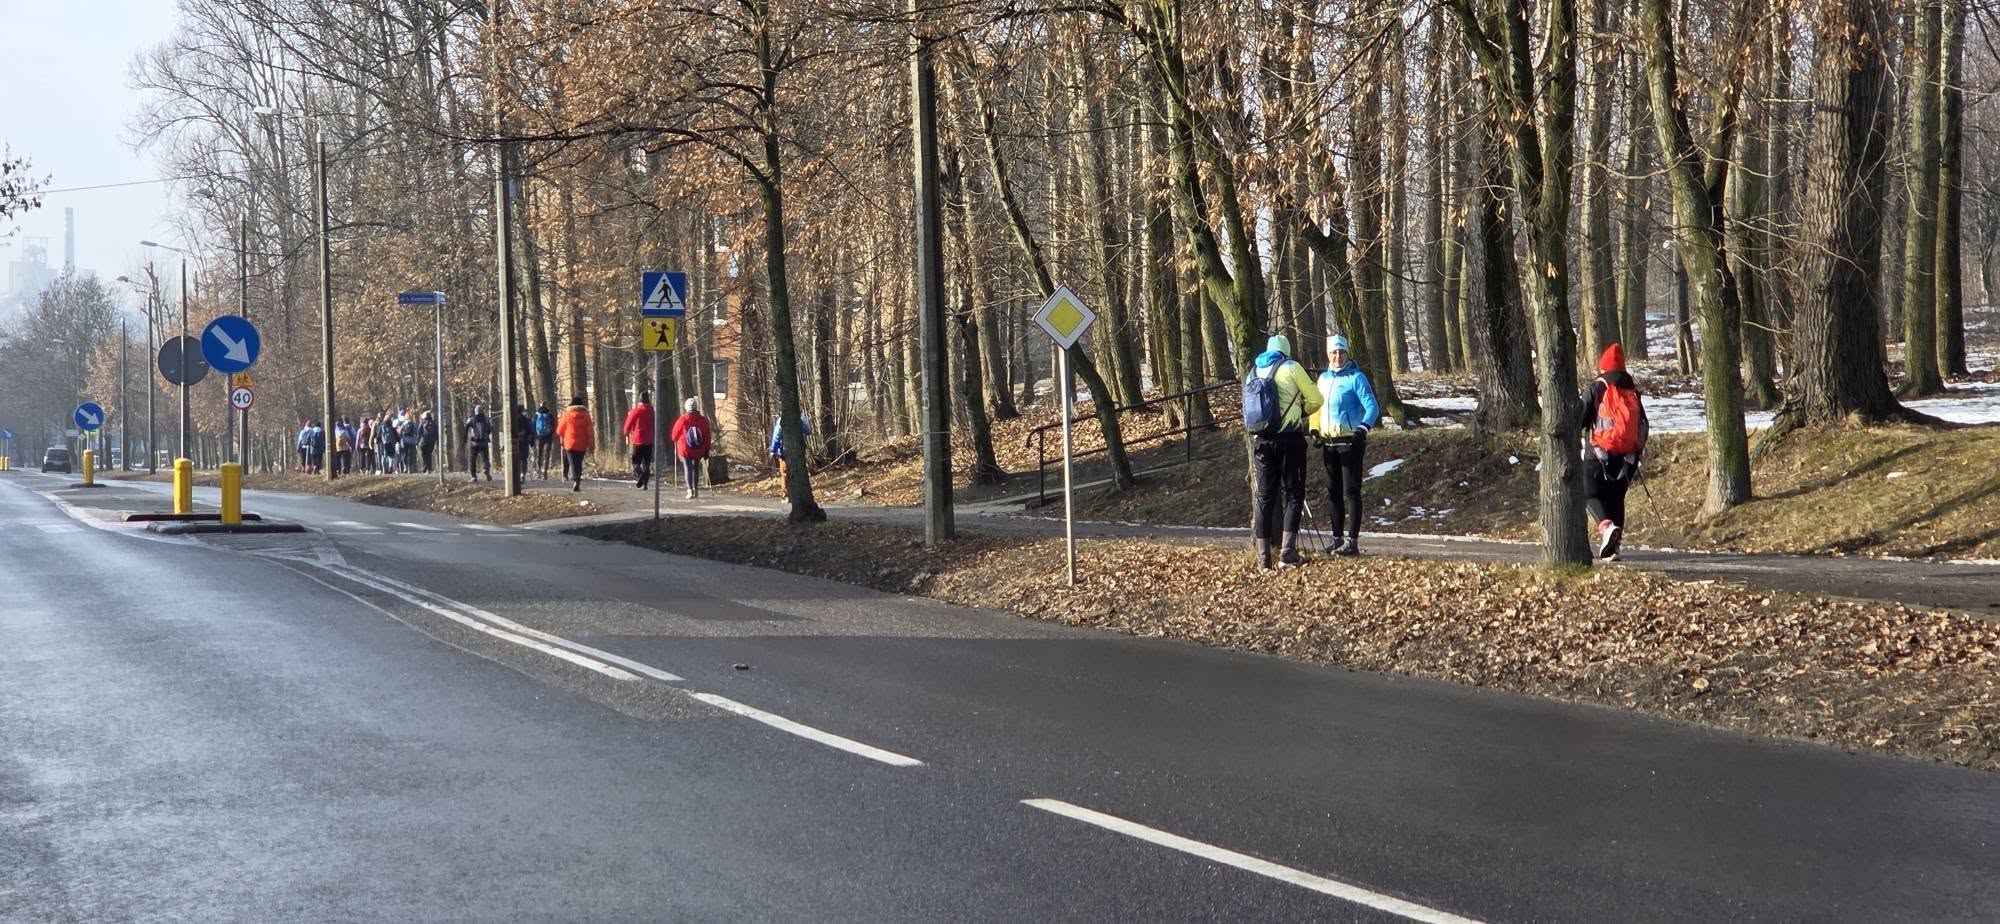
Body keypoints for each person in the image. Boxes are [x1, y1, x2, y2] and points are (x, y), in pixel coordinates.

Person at [1244, 333, 1322, 570]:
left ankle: (1263, 558)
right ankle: (1287, 554)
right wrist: (1301, 410)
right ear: (1286, 351)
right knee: (1294, 494)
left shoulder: (1253, 371)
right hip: (1290, 439)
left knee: (1265, 499)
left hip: (1262, 441)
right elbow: (1316, 399)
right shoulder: (1291, 367)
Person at [1578, 343, 1650, 561]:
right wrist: (1635, 453)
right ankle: (1613, 548)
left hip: (1597, 454)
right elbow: (1644, 425)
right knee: (1616, 498)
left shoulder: (1597, 388)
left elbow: (1580, 418)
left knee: (1590, 494)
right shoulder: (1632, 391)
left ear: (1604, 368)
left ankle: (1606, 528)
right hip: (1626, 458)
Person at [1313, 335, 1381, 557]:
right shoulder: (1323, 379)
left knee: (1351, 491)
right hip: (1328, 443)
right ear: (1328, 354)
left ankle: (1352, 541)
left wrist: (1363, 428)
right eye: (1334, 352)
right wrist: (1314, 429)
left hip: (1350, 442)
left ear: (1347, 354)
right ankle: (1337, 538)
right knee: (1333, 492)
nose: (1337, 356)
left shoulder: (1356, 378)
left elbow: (1372, 406)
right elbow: (1316, 407)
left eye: (1341, 352)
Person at [669, 397, 711, 500]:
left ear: (686, 407)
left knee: (687, 467)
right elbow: (707, 436)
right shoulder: (703, 420)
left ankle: (689, 490)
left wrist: (675, 440)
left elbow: (674, 435)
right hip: (698, 447)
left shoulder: (682, 419)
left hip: (685, 448)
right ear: (696, 407)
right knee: (696, 468)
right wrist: (707, 449)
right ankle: (696, 489)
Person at [555, 395, 594, 492]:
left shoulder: (567, 415)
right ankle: (577, 479)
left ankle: (575, 479)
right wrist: (591, 445)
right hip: (582, 444)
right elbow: (590, 431)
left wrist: (563, 435)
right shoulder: (586, 415)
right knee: (578, 463)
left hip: (569, 443)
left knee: (572, 462)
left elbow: (559, 430)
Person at [623, 391, 657, 490]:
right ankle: (645, 483)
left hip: (638, 440)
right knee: (646, 463)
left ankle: (641, 475)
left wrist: (626, 432)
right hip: (650, 440)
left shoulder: (636, 411)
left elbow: (628, 423)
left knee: (635, 462)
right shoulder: (652, 411)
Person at [768, 414, 811, 483]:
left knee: (785, 474)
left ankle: (786, 493)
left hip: (785, 452)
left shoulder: (781, 420)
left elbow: (777, 436)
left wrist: (773, 450)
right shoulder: (802, 418)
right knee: (799, 472)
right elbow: (808, 431)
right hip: (799, 451)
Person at [464, 405, 494, 482]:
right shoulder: (486, 420)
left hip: (474, 443)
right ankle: (485, 469)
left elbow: (466, 427)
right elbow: (490, 429)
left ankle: (473, 476)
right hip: (484, 442)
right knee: (485, 458)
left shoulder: (472, 420)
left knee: (472, 459)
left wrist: (465, 439)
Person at [511, 403, 534, 483]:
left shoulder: (512, 419)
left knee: (515, 458)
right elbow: (530, 431)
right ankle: (522, 473)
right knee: (524, 458)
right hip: (524, 441)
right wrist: (532, 442)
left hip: (514, 441)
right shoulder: (526, 419)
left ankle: (516, 474)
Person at [532, 404, 556, 479]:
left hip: (539, 437)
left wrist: (534, 436)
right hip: (548, 437)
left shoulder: (536, 415)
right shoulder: (550, 415)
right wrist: (551, 432)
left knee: (539, 454)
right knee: (547, 454)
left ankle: (538, 472)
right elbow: (554, 425)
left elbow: (533, 426)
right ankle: (545, 472)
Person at [418, 410, 440, 474]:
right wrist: (437, 440)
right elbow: (436, 432)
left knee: (424, 454)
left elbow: (419, 432)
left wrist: (417, 441)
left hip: (424, 441)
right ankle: (429, 468)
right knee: (429, 454)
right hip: (431, 441)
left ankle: (425, 467)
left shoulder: (422, 422)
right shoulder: (433, 423)